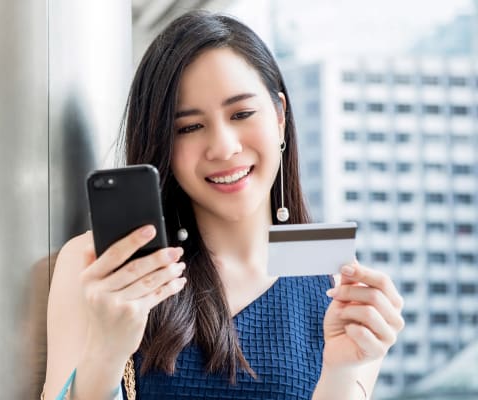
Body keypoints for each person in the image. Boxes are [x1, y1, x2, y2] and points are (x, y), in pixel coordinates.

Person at [42, 10, 404, 400]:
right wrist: (105, 353)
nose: (224, 147)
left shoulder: (334, 275)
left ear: (280, 117)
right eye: (189, 127)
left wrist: (342, 371)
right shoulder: (102, 267)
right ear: (161, 142)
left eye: (242, 114)